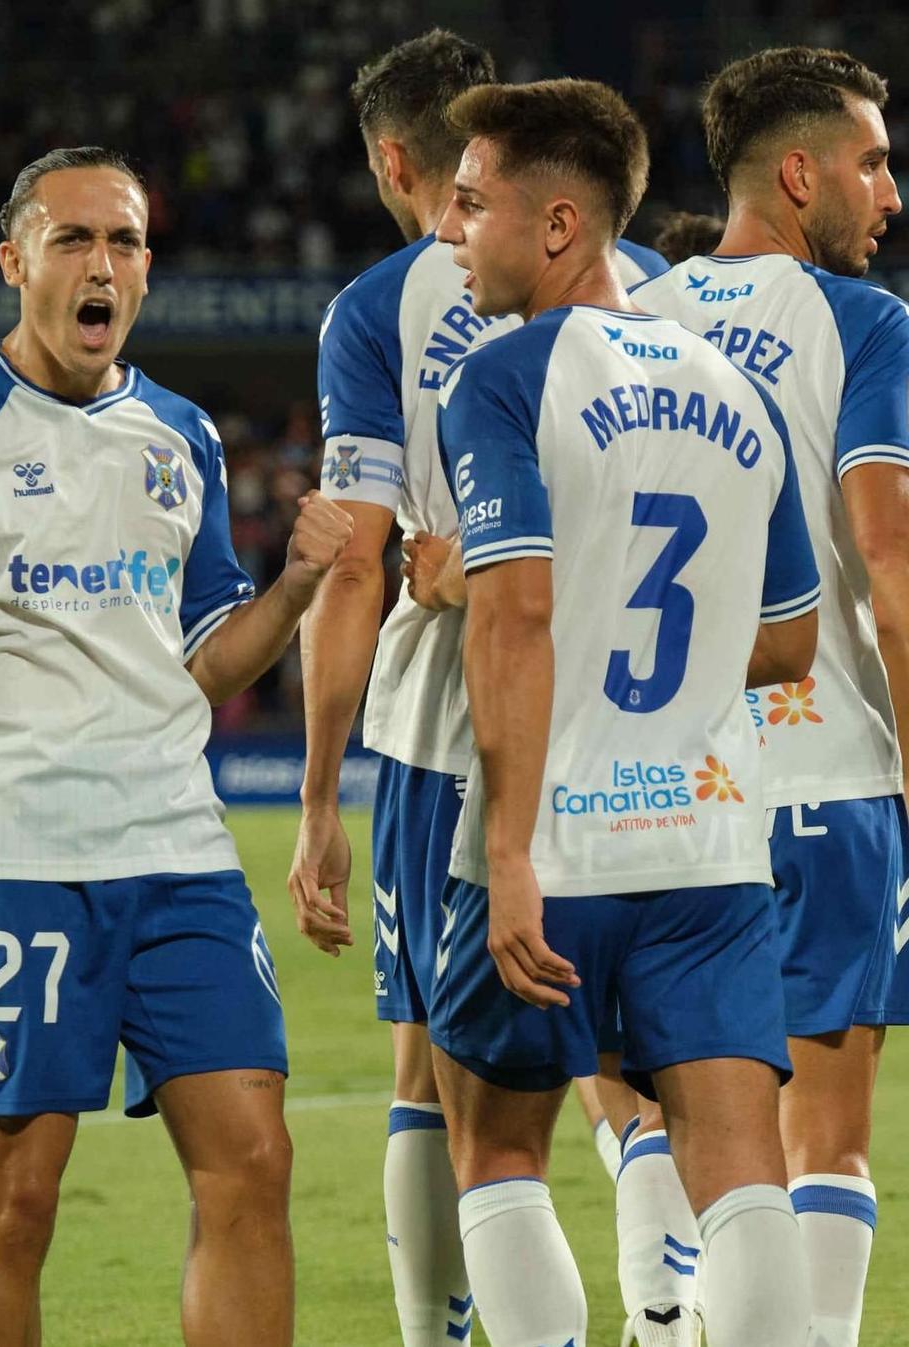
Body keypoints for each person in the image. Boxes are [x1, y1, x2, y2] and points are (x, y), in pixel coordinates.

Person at [0, 146, 353, 1347]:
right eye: (74, 239)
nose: (103, 264)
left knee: (255, 1163)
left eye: (124, 242)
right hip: (15, 852)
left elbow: (209, 662)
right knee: (14, 1203)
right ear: (16, 261)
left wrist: (292, 586)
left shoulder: (179, 434)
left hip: (176, 850)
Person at [631, 46, 909, 1347]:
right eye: (872, 162)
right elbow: (888, 550)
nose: (893, 194)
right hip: (819, 779)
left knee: (673, 1115)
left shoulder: (630, 318)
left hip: (656, 789)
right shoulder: (864, 326)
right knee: (826, 1143)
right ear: (799, 172)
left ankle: (666, 1314)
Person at [423, 77, 822, 1347]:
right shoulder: (738, 391)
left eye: (472, 203)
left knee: (493, 1152)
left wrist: (506, 854)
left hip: (556, 843)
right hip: (708, 844)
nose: (451, 229)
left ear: (555, 226)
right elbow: (793, 639)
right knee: (744, 1170)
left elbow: (515, 618)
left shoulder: (503, 377)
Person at [285, 31, 668, 1347]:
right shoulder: (652, 282)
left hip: (446, 721)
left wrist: (319, 789)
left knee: (442, 1070)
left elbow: (355, 565)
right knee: (631, 1054)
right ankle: (671, 1309)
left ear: (401, 159)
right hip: (636, 714)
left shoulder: (377, 308)